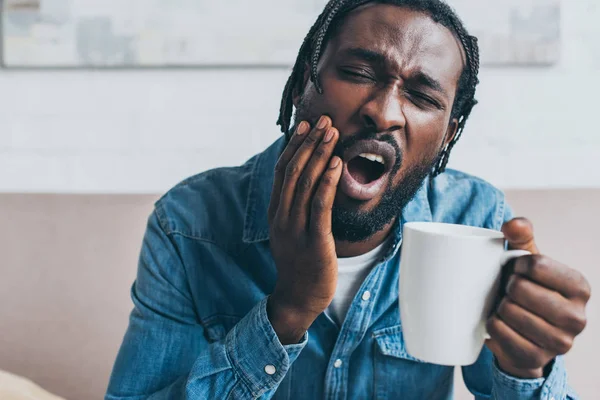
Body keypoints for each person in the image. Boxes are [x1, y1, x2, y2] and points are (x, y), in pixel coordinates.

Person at [106, 1, 591, 399]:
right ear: (302, 85)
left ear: (449, 134)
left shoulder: (475, 219)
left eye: (422, 98)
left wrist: (528, 371)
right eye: (358, 71)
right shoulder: (189, 226)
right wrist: (288, 309)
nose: (383, 113)